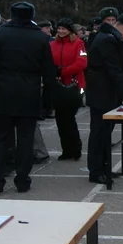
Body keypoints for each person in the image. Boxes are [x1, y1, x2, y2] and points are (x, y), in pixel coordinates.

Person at [0, 2, 57, 195]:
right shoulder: (40, 38)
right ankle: (22, 179)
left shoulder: (0, 35)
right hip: (29, 92)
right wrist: (48, 101)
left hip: (2, 91)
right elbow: (49, 72)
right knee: (25, 138)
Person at [85, 11, 123, 184]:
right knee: (99, 133)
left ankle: (103, 168)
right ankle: (96, 171)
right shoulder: (108, 39)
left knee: (105, 133)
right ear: (122, 27)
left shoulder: (110, 37)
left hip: (107, 92)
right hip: (102, 93)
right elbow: (114, 70)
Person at [50, 18, 87, 160]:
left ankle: (75, 148)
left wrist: (62, 71)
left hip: (74, 85)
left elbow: (82, 63)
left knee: (69, 118)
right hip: (58, 86)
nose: (61, 31)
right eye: (59, 28)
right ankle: (66, 149)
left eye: (64, 29)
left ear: (70, 30)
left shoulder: (79, 44)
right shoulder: (52, 44)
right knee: (60, 119)